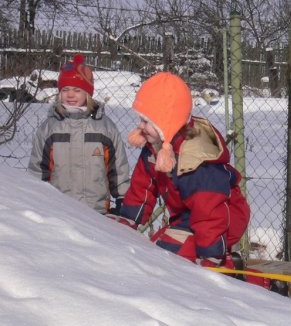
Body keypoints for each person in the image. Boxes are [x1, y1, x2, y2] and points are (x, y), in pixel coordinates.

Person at [109, 72, 250, 266]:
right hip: (188, 218)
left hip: (224, 221)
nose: (140, 126)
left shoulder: (196, 160)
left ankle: (242, 277)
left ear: (166, 122)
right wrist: (128, 221)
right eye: (141, 119)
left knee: (174, 258)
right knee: (155, 249)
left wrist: (210, 255)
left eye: (147, 121)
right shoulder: (155, 147)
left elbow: (210, 212)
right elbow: (143, 187)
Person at [28, 54, 130, 214]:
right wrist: (35, 200)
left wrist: (122, 200)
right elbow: (38, 171)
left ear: (88, 93)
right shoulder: (50, 128)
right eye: (65, 90)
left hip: (97, 213)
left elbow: (118, 170)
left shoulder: (104, 128)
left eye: (77, 90)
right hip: (57, 212)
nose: (70, 95)